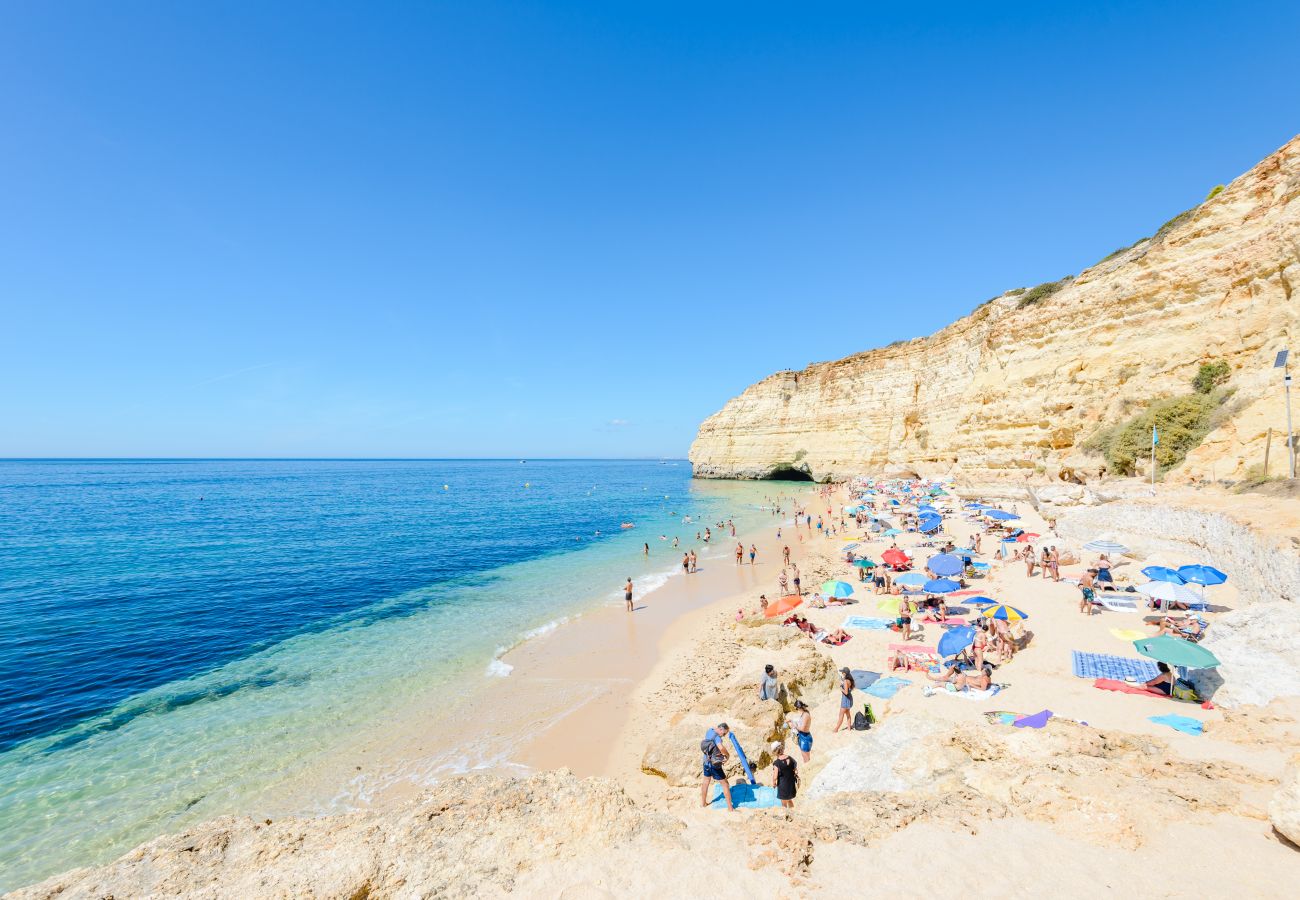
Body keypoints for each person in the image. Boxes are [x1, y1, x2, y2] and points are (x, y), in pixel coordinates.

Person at [700, 725, 734, 809]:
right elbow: (721, 747)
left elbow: (714, 728)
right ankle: (730, 808)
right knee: (725, 784)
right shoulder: (717, 737)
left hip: (706, 762)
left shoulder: (709, 730)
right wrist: (728, 755)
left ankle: (703, 803)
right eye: (724, 733)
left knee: (705, 782)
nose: (724, 735)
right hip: (714, 764)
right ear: (721, 729)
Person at [770, 741, 798, 808]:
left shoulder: (777, 763)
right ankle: (793, 812)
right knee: (789, 800)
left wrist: (774, 783)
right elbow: (795, 770)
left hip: (783, 785)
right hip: (791, 784)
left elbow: (775, 776)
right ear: (782, 749)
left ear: (775, 752)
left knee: (783, 803)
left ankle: (786, 816)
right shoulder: (790, 758)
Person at [833, 668, 855, 733]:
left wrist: (840, 689)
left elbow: (846, 692)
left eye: (842, 672)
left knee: (841, 715)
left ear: (844, 673)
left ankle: (836, 729)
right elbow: (848, 689)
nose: (841, 673)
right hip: (849, 699)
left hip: (845, 699)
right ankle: (849, 728)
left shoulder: (845, 681)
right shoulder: (850, 680)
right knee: (848, 714)